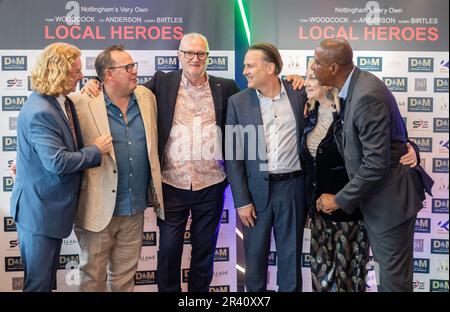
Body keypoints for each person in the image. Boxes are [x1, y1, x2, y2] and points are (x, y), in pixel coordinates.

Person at [81, 33, 304, 292]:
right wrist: (94, 83)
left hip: (210, 185)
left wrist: (292, 79)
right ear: (179, 56)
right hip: (172, 184)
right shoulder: (162, 82)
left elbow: (263, 95)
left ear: (208, 57)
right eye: (189, 53)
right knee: (168, 253)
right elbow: (122, 87)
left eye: (201, 54)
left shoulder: (227, 88)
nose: (195, 59)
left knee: (204, 254)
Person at [313, 38, 433, 292]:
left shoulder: (366, 94)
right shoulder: (353, 87)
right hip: (379, 201)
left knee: (394, 284)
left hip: (390, 204)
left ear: (334, 68)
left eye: (317, 63)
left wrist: (338, 200)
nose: (313, 68)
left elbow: (376, 164)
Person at [9, 42, 112, 292]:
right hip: (39, 212)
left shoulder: (57, 101)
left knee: (43, 280)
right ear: (58, 72)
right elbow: (57, 161)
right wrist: (95, 151)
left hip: (47, 209)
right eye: (75, 71)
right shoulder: (41, 111)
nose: (80, 75)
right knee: (39, 283)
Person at [69, 45, 164, 292]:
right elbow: (62, 148)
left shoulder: (146, 98)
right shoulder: (80, 102)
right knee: (92, 279)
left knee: (124, 280)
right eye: (128, 67)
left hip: (134, 209)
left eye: (134, 66)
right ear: (108, 74)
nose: (135, 71)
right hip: (96, 211)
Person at [225, 42, 307, 292]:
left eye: (250, 65)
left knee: (291, 263)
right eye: (244, 66)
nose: (245, 71)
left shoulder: (299, 93)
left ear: (270, 67)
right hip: (255, 194)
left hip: (293, 190)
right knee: (255, 263)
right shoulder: (237, 102)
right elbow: (233, 155)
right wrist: (241, 201)